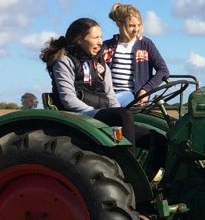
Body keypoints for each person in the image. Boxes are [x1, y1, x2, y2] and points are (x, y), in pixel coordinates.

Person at [39, 17, 141, 153]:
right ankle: (130, 169)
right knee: (123, 116)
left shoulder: (100, 63)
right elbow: (68, 99)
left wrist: (114, 112)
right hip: (79, 115)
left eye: (101, 37)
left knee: (154, 135)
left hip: (99, 112)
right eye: (95, 37)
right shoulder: (64, 62)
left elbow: (110, 95)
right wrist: (96, 115)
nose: (100, 42)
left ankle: (153, 173)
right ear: (79, 40)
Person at [102, 2, 169, 107]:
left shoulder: (146, 45)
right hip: (107, 92)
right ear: (119, 23)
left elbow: (163, 71)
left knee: (110, 103)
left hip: (132, 94)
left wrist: (145, 90)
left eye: (139, 25)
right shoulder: (107, 46)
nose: (136, 29)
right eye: (132, 26)